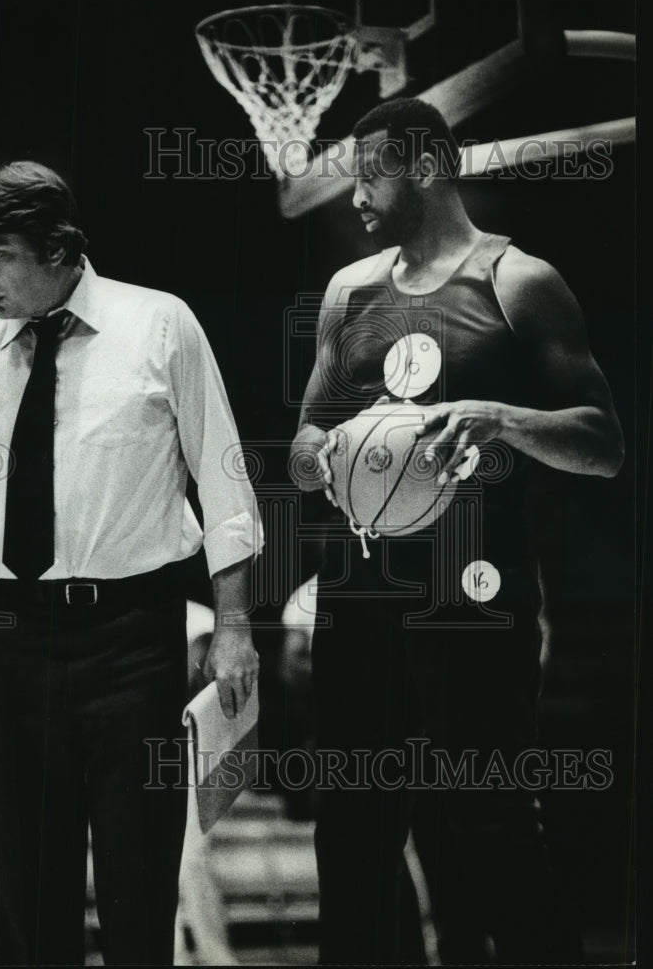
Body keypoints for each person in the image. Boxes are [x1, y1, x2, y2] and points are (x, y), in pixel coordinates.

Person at [0, 161, 263, 966]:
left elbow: (224, 480)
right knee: (29, 890)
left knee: (137, 884)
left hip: (134, 637)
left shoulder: (159, 324)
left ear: (57, 248)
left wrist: (233, 626)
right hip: (14, 640)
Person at [288, 98, 623, 966]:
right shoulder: (348, 292)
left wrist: (501, 417)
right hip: (359, 587)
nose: (355, 195)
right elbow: (304, 437)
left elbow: (603, 446)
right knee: (350, 822)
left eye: (371, 175)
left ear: (428, 166)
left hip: (474, 592)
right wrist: (324, 455)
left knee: (488, 816)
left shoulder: (519, 282)